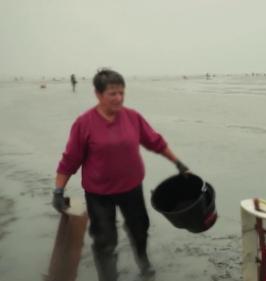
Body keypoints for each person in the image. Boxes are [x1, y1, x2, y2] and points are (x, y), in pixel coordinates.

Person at [53, 69, 190, 281]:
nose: (118, 98)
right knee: (104, 240)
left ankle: (143, 261)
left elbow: (155, 142)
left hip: (131, 188)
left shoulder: (133, 117)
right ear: (98, 94)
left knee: (140, 229)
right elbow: (70, 160)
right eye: (112, 93)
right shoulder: (84, 123)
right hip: (99, 193)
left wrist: (178, 163)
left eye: (121, 93)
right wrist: (58, 190)